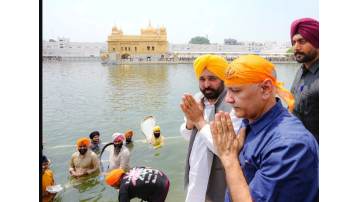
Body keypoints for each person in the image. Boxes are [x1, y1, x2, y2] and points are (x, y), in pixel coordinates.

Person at [209, 55, 319, 202]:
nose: (228, 99)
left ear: (265, 88)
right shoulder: (250, 118)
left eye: (235, 91)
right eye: (227, 90)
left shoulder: (288, 146)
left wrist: (229, 159)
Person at [179, 54, 242, 202]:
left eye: (212, 79)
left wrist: (199, 120)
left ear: (224, 79)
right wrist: (190, 122)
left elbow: (225, 149)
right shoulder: (198, 100)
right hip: (196, 174)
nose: (206, 85)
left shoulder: (234, 105)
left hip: (219, 179)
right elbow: (187, 135)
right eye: (202, 79)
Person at [289, 17, 319, 144]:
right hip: (296, 147)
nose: (296, 47)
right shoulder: (300, 71)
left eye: (302, 41)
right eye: (294, 42)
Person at [105, 166, 170, 202]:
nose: (115, 188)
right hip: (162, 176)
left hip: (161, 186)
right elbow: (149, 168)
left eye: (113, 185)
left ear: (118, 180)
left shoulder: (123, 189)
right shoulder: (133, 169)